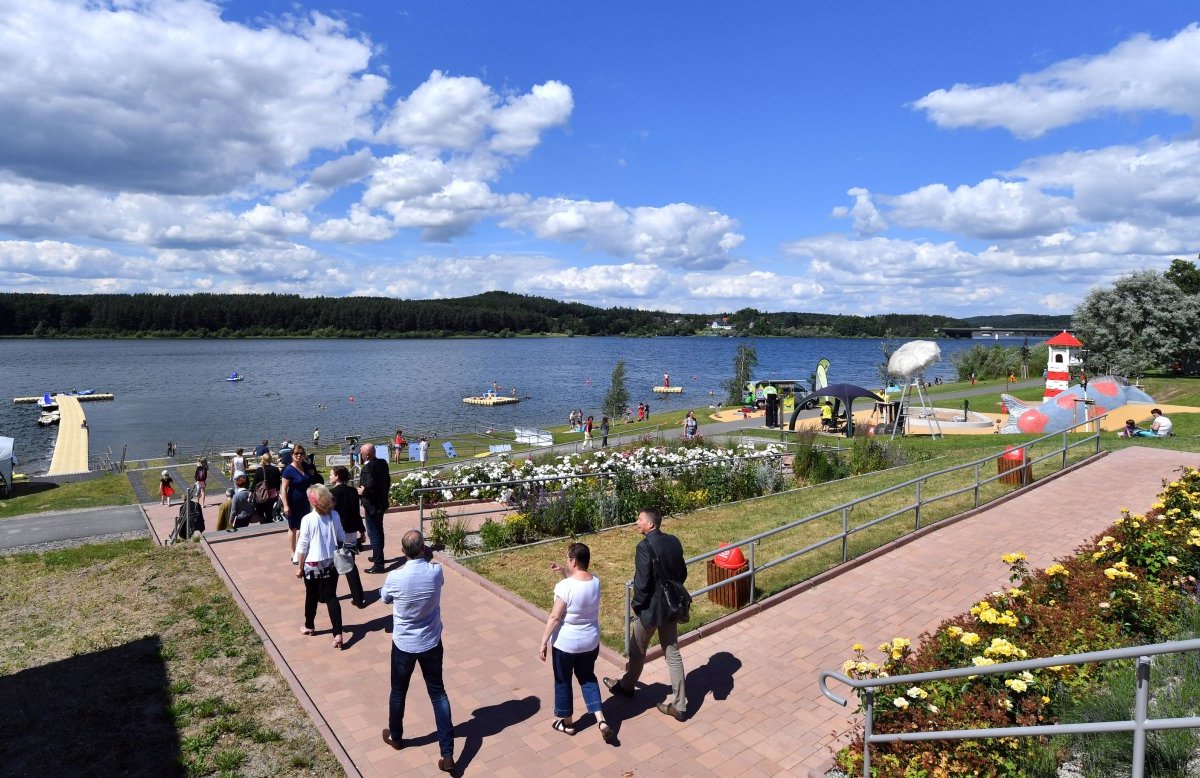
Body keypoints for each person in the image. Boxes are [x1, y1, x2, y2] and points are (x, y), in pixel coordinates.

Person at [380, 530, 456, 772]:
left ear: (403, 552)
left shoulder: (395, 577)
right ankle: (447, 753)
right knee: (438, 694)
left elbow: (384, 598)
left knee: (398, 691)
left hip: (404, 644)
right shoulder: (435, 572)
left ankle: (396, 736)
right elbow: (435, 574)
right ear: (423, 548)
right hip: (431, 641)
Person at [603, 507, 688, 721]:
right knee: (672, 652)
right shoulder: (673, 541)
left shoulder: (644, 547)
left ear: (650, 524)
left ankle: (627, 686)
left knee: (637, 650)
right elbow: (682, 573)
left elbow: (642, 584)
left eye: (639, 519)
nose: (636, 522)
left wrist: (637, 606)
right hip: (670, 606)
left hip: (650, 609)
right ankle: (679, 705)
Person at [539, 543, 614, 742]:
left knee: (563, 680)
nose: (566, 561)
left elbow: (555, 617)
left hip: (566, 644)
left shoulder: (564, 587)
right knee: (588, 677)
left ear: (573, 561)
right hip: (590, 642)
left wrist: (543, 641)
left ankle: (568, 723)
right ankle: (601, 720)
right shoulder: (595, 581)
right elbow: (579, 586)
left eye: (567, 559)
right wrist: (564, 571)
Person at [295, 484, 346, 650]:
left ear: (313, 502)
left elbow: (302, 546)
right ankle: (338, 633)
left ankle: (309, 625)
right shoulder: (335, 515)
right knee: (331, 596)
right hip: (331, 562)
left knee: (311, 596)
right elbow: (341, 537)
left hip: (312, 564)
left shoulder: (308, 519)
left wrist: (299, 567)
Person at [328, 466, 367, 608]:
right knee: (349, 564)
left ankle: (327, 594)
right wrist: (362, 531)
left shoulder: (331, 493)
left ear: (337, 476)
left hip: (337, 533)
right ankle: (358, 597)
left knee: (334, 565)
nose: (329, 476)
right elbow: (356, 513)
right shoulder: (352, 492)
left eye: (331, 474)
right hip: (351, 532)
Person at [359, 443, 392, 574]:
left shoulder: (368, 467)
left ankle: (378, 564)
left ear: (367, 455)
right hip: (381, 502)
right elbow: (386, 481)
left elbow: (369, 485)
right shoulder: (382, 463)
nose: (359, 455)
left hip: (372, 505)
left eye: (361, 453)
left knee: (374, 533)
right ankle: (377, 555)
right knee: (378, 530)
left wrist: (362, 491)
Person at [282, 445, 312, 563]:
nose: (299, 455)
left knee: (303, 527)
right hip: (293, 501)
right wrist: (285, 505)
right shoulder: (288, 470)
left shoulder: (305, 466)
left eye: (301, 453)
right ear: (292, 455)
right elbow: (283, 489)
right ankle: (293, 552)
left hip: (305, 501)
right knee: (293, 527)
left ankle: (301, 551)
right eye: (296, 453)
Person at [252, 453, 282, 524]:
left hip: (261, 495)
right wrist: (278, 493)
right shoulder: (276, 469)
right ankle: (269, 524)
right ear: (271, 459)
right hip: (272, 495)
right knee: (269, 513)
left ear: (263, 460)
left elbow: (254, 483)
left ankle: (263, 524)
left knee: (260, 513)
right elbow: (278, 484)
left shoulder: (259, 470)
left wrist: (251, 493)